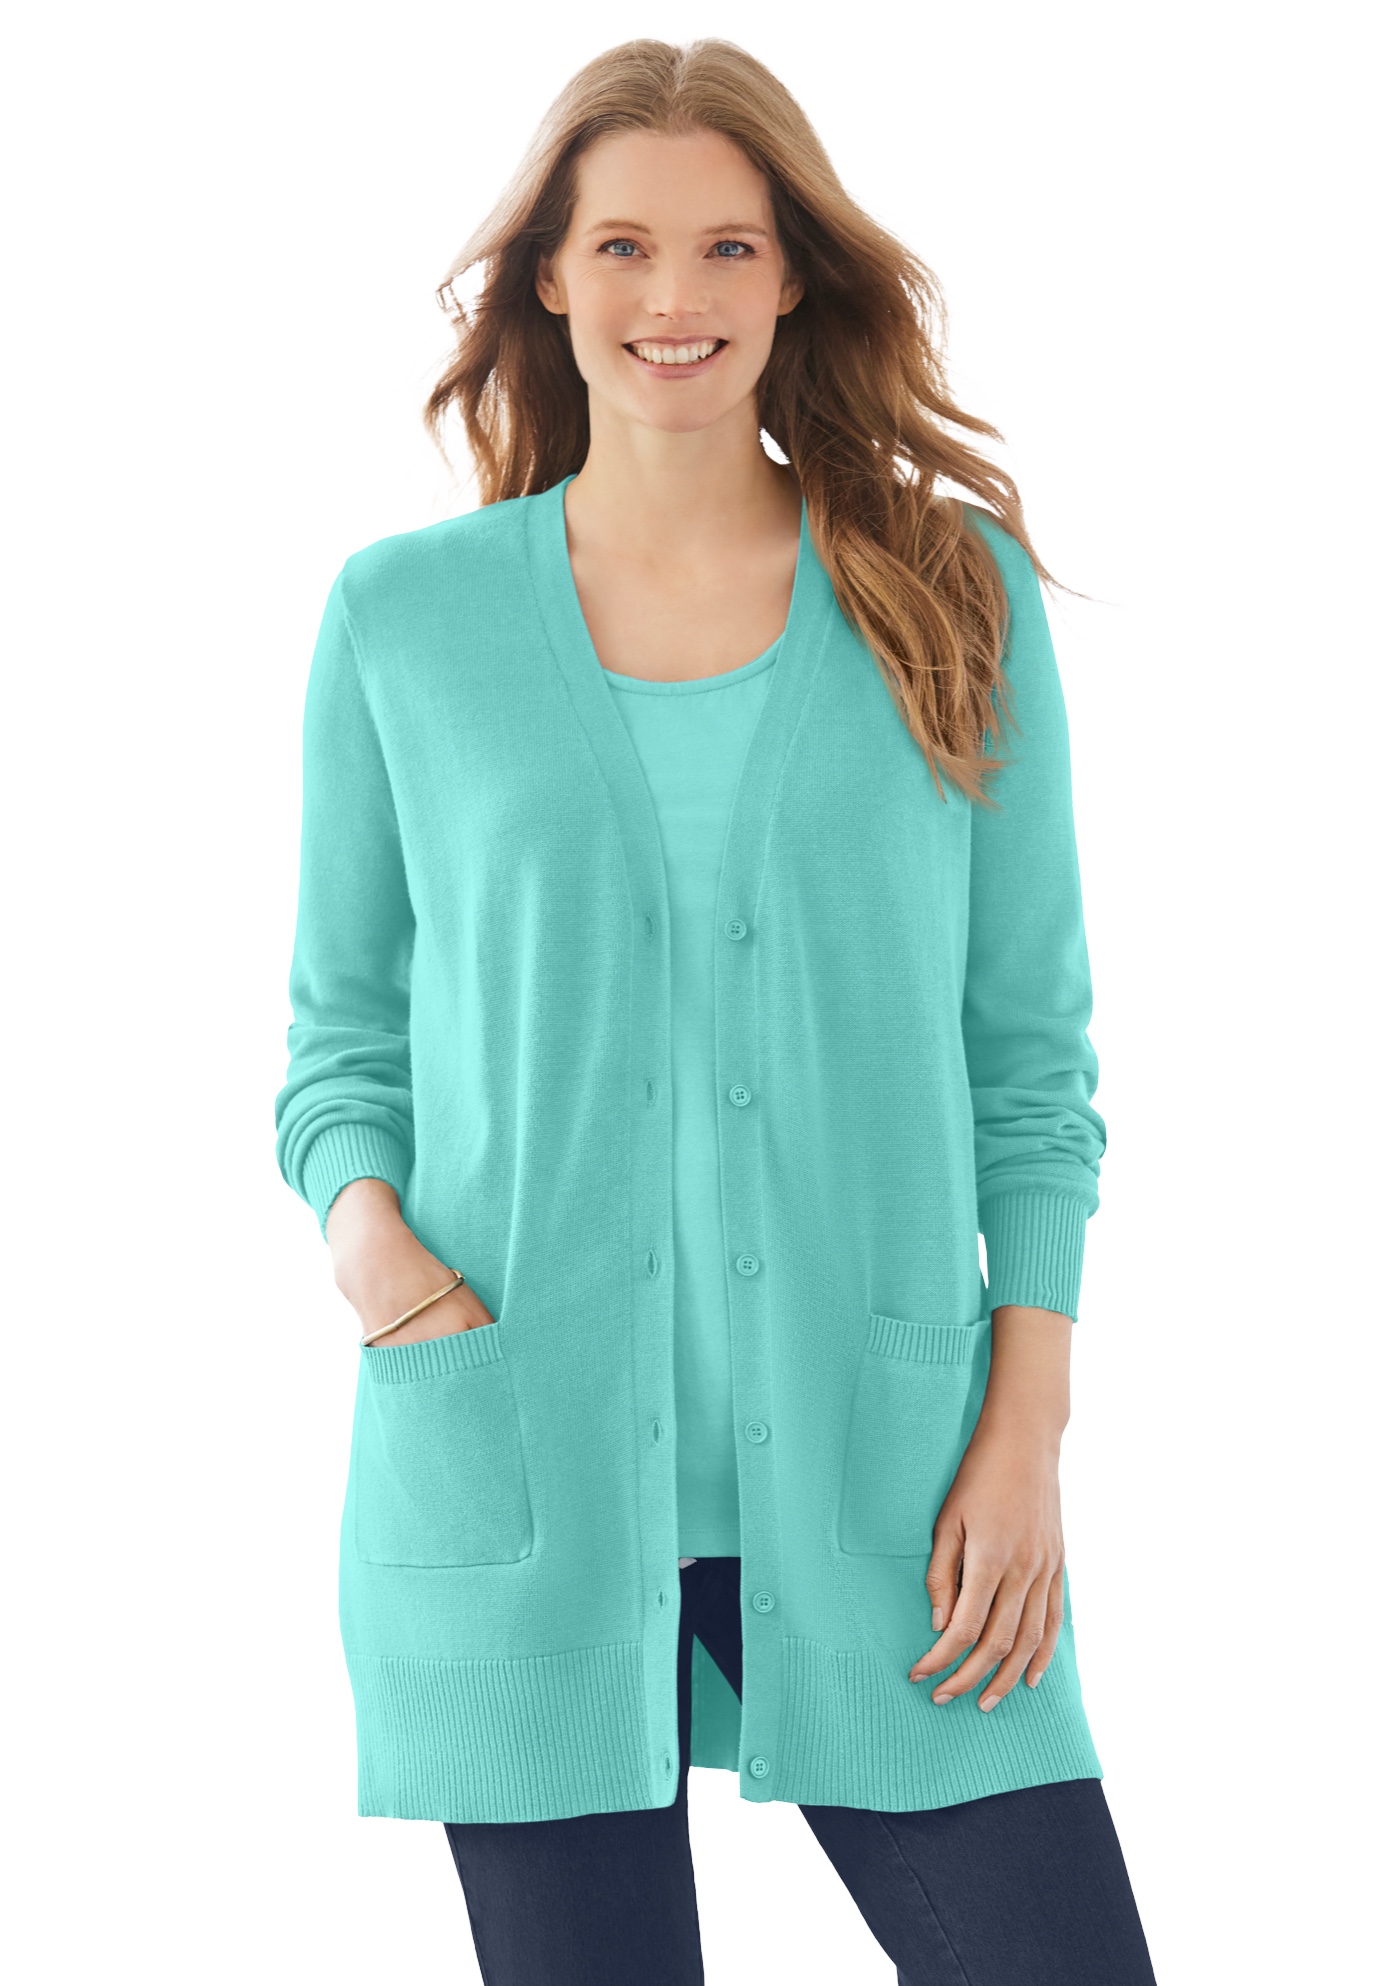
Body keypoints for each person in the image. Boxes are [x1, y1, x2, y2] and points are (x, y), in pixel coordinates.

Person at [274, 35, 1157, 1985]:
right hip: (522, 1471)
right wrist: (389, 1280)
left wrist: (1027, 1429)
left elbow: (1030, 1066)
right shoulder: (405, 621)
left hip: (897, 1485)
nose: (673, 296)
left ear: (795, 277)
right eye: (623, 246)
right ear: (549, 276)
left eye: (729, 247)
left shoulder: (948, 592)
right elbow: (338, 1048)